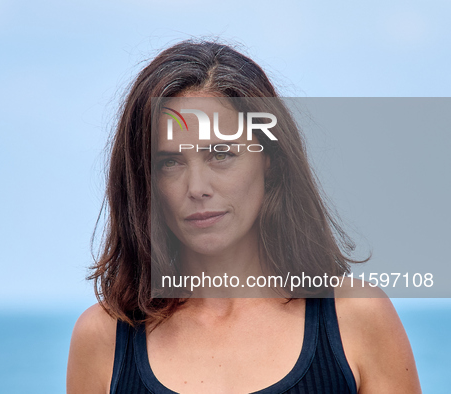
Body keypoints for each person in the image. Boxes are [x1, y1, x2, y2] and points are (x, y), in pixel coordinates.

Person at [66, 39, 421, 393]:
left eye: (220, 154)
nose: (197, 187)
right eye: (170, 162)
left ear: (271, 160)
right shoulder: (103, 340)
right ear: (144, 181)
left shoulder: (357, 319)